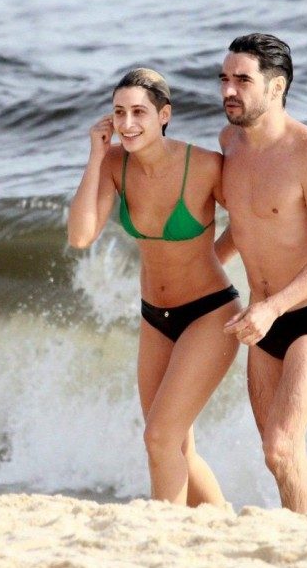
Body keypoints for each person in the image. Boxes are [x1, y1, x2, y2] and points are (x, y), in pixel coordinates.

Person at [67, 67, 240, 507]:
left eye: (139, 112)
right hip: (155, 318)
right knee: (176, 446)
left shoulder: (202, 166)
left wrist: (210, 261)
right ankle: (219, 530)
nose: (127, 124)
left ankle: (167, 536)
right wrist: (94, 155)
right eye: (119, 112)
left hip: (210, 312)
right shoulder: (114, 166)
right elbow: (80, 235)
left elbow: (249, 222)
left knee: (159, 437)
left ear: (165, 115)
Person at [215, 33, 307, 513]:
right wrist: (204, 268)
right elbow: (246, 223)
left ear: (276, 88)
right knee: (283, 455)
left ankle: (302, 553)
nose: (229, 90)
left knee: (281, 446)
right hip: (262, 316)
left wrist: (274, 306)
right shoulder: (229, 142)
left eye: (243, 80)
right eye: (225, 79)